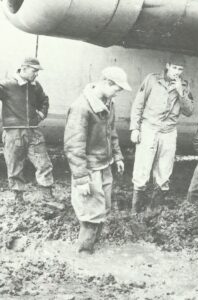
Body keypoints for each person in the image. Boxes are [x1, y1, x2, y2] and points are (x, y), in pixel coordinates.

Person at [64, 66, 131, 253]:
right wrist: (81, 178)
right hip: (90, 168)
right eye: (117, 89)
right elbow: (73, 145)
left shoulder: (108, 103)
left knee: (103, 208)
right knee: (91, 212)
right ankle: (85, 253)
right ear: (107, 83)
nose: (117, 94)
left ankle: (94, 245)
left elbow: (111, 132)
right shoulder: (81, 107)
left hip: (105, 165)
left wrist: (117, 156)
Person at [130, 53, 194, 213]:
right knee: (142, 168)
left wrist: (181, 93)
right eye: (174, 67)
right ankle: (136, 210)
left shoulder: (184, 86)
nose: (177, 72)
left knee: (164, 170)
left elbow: (189, 111)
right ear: (167, 66)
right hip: (149, 128)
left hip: (169, 132)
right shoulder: (152, 80)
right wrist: (135, 128)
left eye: (180, 69)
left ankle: (154, 209)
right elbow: (138, 104)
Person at [0, 56, 63, 209]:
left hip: (33, 131)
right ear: (24, 68)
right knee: (15, 164)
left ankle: (47, 197)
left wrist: (41, 114)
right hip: (13, 132)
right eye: (34, 71)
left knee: (44, 163)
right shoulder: (7, 84)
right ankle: (18, 198)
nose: (36, 74)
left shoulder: (35, 86)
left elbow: (44, 100)